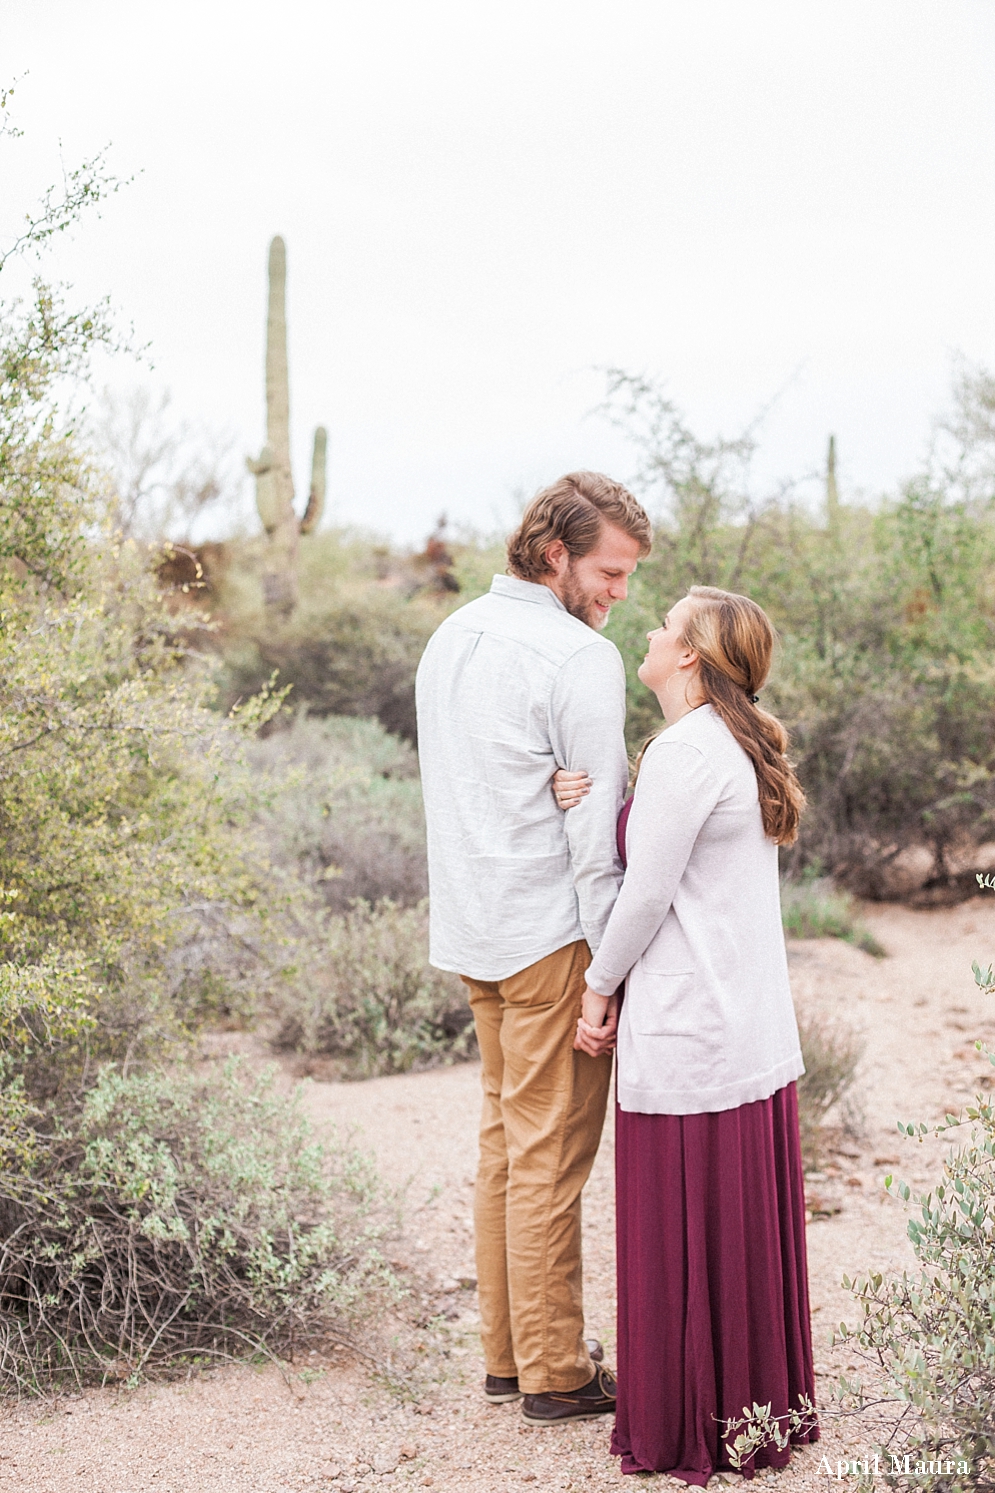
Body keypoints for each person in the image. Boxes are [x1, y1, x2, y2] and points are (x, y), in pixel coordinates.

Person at [557, 585, 817, 1481]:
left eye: (665, 625)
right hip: (741, 1022)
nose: (650, 630)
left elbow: (646, 893)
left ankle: (690, 1423)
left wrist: (596, 988)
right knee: (735, 1230)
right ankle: (752, 1405)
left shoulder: (683, 752)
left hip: (692, 1025)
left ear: (692, 658)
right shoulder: (727, 745)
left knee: (684, 1230)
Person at [415, 471, 651, 1425]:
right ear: (556, 555)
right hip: (549, 935)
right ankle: (556, 1368)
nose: (619, 593)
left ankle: (508, 1356)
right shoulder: (577, 659)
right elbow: (592, 840)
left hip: (473, 927)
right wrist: (608, 968)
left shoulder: (451, 636)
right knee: (549, 1156)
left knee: (506, 1148)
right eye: (610, 570)